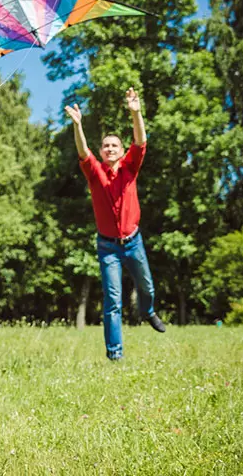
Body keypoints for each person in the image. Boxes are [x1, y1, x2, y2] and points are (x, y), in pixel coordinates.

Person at [65, 87, 165, 361]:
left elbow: (141, 141)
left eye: (115, 146)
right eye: (106, 145)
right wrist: (78, 125)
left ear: (121, 151)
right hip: (107, 246)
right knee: (112, 302)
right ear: (102, 151)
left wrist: (136, 113)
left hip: (133, 241)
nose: (110, 148)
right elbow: (83, 151)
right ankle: (115, 355)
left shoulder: (131, 167)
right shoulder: (95, 173)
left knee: (148, 288)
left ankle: (148, 311)